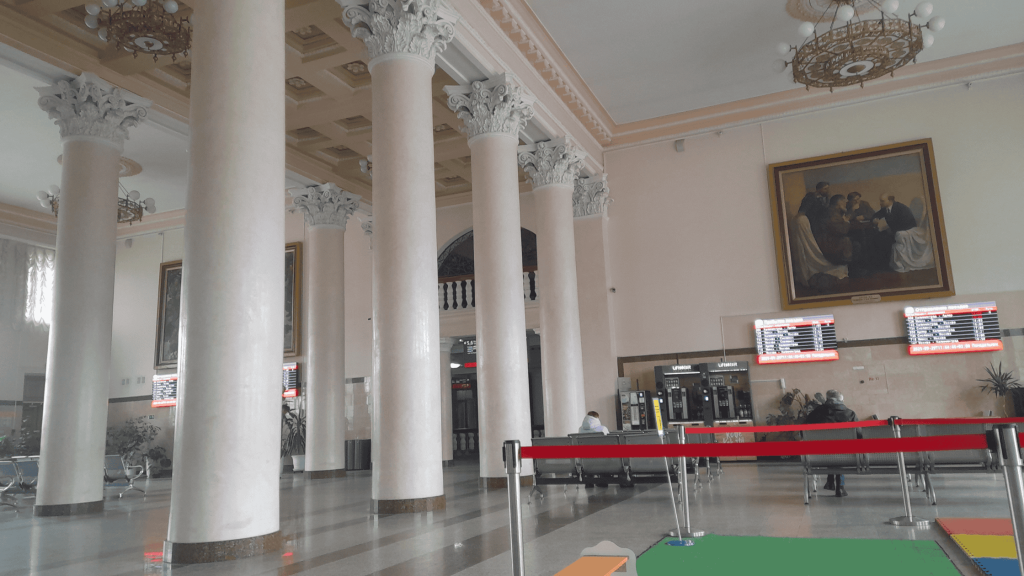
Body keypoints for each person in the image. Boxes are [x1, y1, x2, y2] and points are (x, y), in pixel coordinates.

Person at [804, 390, 857, 497]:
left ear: (827, 399)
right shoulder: (850, 413)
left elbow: (804, 431)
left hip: (819, 454)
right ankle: (840, 486)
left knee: (829, 448)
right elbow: (859, 434)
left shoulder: (816, 413)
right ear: (841, 400)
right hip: (846, 454)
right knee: (839, 449)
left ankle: (830, 481)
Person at [871, 194, 917, 270]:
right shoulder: (885, 208)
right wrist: (875, 218)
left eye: (882, 201)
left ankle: (886, 266)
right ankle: (880, 264)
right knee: (876, 237)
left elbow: (906, 224)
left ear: (890, 201)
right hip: (895, 231)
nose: (880, 203)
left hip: (905, 232)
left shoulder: (901, 208)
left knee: (884, 240)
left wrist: (891, 231)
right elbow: (876, 214)